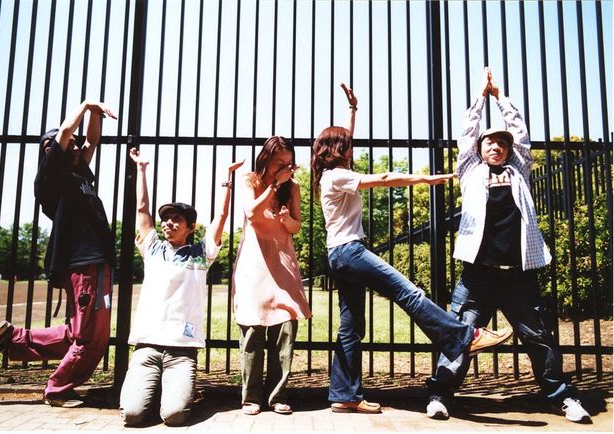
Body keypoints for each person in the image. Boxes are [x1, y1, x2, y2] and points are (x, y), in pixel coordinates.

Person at [310, 83, 513, 414]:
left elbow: (344, 139)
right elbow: (384, 178)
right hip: (350, 252)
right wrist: (425, 180)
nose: (351, 148)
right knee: (409, 293)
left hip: (339, 255)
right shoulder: (336, 176)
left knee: (351, 327)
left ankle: (344, 395)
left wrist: (353, 111)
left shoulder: (333, 174)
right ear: (338, 150)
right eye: (347, 145)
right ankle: (464, 338)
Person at [424, 69, 591, 423]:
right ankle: (440, 395)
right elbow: (467, 132)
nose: (496, 147)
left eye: (501, 143)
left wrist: (500, 97)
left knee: (539, 337)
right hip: (478, 275)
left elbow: (521, 134)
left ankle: (561, 396)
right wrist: (481, 97)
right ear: (480, 149)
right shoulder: (470, 170)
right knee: (460, 335)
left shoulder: (519, 170)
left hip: (518, 275)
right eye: (489, 143)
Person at [0, 101, 118, 408]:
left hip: (95, 262)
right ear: (50, 150)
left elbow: (92, 141)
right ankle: (57, 390)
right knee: (89, 337)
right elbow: (66, 132)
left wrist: (96, 113)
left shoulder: (79, 173)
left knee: (79, 333)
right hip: (84, 263)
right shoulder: (52, 175)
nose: (76, 147)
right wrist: (86, 104)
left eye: (76, 145)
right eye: (70, 145)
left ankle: (14, 339)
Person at [119, 148, 243, 426]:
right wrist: (141, 168)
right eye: (166, 218)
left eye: (177, 219)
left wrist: (227, 178)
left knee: (174, 416)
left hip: (181, 350)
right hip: (147, 346)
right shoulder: (152, 248)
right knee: (132, 415)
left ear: (190, 227)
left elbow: (221, 216)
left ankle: (173, 394)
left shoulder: (201, 253)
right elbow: (142, 209)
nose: (169, 223)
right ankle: (156, 391)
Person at [232, 136, 311, 416]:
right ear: (266, 158)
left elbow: (297, 226)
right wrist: (274, 185)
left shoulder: (294, 187)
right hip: (254, 263)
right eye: (279, 163)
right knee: (252, 330)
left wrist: (287, 219)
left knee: (285, 329)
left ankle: (277, 395)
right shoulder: (249, 180)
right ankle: (251, 397)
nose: (285, 168)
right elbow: (252, 213)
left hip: (283, 264)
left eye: (288, 163)